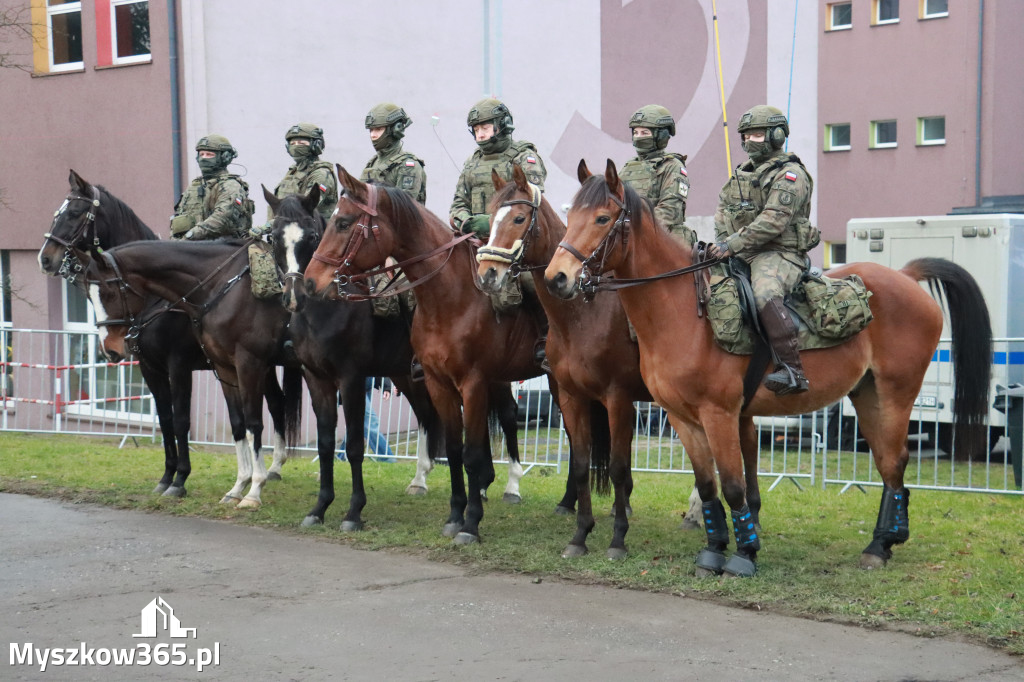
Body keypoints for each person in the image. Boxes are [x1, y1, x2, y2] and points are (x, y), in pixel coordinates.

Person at [707, 105, 820, 395]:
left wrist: (730, 245)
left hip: (780, 253)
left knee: (765, 293)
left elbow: (773, 221)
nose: (749, 142)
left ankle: (793, 370)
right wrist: (721, 244)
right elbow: (722, 216)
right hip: (741, 252)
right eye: (746, 136)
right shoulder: (738, 177)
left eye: (757, 135)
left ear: (777, 135)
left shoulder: (790, 175)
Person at [449, 98, 546, 237]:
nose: (480, 135)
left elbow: (534, 204)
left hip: (512, 242)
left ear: (503, 125)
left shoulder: (523, 158)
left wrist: (491, 222)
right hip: (474, 240)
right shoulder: (472, 162)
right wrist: (466, 221)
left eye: (485, 128)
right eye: (476, 130)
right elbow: (458, 203)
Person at [619, 104, 696, 247]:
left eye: (645, 133)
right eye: (636, 133)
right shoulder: (627, 168)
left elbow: (669, 209)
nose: (638, 137)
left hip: (666, 240)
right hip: (630, 239)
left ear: (661, 136)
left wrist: (638, 230)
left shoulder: (672, 166)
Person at [170, 135, 253, 240]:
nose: (203, 158)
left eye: (209, 154)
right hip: (191, 248)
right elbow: (179, 218)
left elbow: (222, 218)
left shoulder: (230, 186)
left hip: (223, 249)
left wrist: (189, 237)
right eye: (201, 154)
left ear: (225, 157)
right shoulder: (195, 185)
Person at [267, 123, 338, 222]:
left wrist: (269, 226)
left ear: (316, 145)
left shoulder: (321, 174)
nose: (296, 147)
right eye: (292, 144)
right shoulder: (293, 172)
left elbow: (304, 208)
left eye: (301, 143)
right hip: (288, 233)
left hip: (315, 235)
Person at [361, 103, 426, 204]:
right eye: (371, 130)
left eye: (378, 129)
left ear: (396, 129)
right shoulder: (373, 163)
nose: (373, 135)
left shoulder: (408, 166)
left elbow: (403, 206)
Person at [337, 377, 397, 463]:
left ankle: (342, 456)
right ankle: (386, 457)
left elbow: (379, 365)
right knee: (370, 422)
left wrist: (386, 385)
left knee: (357, 424)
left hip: (365, 385)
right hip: (353, 386)